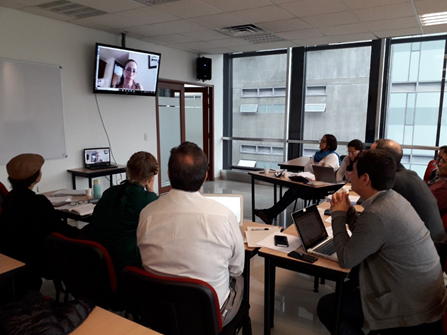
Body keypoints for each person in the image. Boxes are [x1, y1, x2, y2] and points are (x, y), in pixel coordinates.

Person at [317, 150, 447, 334]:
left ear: (365, 178)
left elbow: (346, 259)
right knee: (346, 288)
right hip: (423, 295)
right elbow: (370, 236)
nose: (349, 174)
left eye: (353, 171)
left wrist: (338, 215)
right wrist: (349, 212)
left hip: (411, 306)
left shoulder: (378, 213)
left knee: (328, 307)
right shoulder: (392, 198)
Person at [137, 142, 244, 326]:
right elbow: (236, 269)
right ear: (205, 177)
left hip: (158, 313)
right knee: (239, 279)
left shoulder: (146, 213)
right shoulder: (224, 216)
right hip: (208, 317)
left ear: (169, 175)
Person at [0, 154, 78, 297]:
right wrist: (81, 232)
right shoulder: (38, 202)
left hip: (16, 255)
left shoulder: (8, 199)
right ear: (37, 177)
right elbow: (59, 229)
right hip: (39, 258)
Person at [88, 151, 158, 275]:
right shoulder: (148, 199)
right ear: (151, 177)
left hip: (96, 254)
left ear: (129, 170)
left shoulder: (110, 191)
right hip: (124, 261)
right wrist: (151, 190)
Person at [255, 134, 340, 225]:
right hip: (310, 184)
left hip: (322, 188)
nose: (320, 142)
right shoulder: (317, 154)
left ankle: (270, 213)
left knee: (293, 191)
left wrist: (314, 166)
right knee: (292, 190)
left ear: (329, 145)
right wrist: (316, 166)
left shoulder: (332, 156)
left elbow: (322, 173)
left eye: (323, 141)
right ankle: (270, 213)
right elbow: (307, 169)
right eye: (321, 140)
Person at [372, 139, 446, 242]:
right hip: (430, 241)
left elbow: (376, 217)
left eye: (370, 155)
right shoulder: (408, 175)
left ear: (380, 160)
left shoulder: (394, 182)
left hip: (427, 247)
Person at [429, 153, 447, 218]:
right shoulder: (443, 182)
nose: (439, 164)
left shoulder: (444, 190)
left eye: (443, 161)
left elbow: (424, 208)